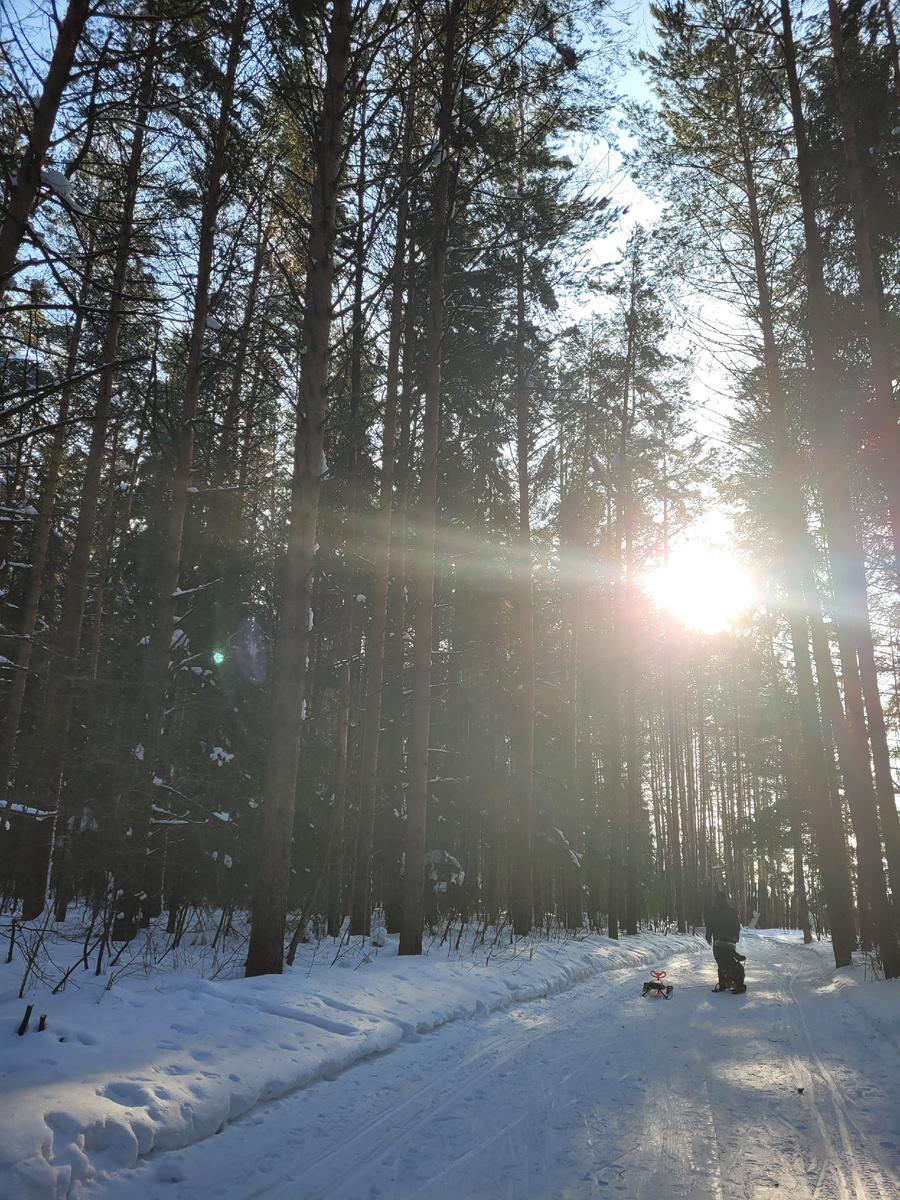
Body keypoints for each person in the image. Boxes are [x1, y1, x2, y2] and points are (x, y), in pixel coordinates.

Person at [705, 891, 747, 993]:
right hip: (730, 940)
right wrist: (735, 937)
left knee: (721, 962)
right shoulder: (731, 910)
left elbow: (709, 925)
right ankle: (736, 980)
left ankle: (723, 982)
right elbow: (736, 925)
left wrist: (708, 936)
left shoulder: (712, 911)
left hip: (718, 940)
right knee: (730, 959)